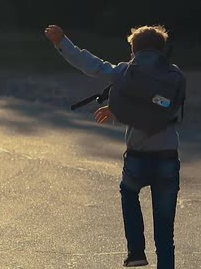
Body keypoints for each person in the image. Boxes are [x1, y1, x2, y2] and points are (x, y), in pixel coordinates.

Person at [44, 25, 181, 268]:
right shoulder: (174, 75)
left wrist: (62, 42)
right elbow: (163, 107)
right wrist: (118, 111)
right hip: (168, 156)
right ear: (161, 49)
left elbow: (93, 65)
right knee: (165, 230)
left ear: (134, 50)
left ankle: (137, 251)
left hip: (138, 155)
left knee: (129, 193)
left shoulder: (126, 72)